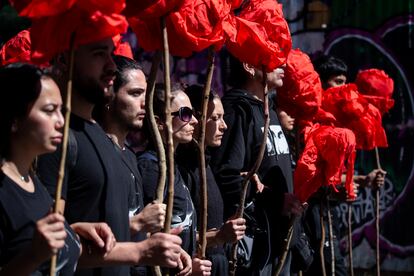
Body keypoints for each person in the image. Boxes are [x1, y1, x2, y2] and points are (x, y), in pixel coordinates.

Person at [36, 38, 186, 276]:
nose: (110, 66)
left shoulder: (104, 140)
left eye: (110, 54)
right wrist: (139, 251)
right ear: (64, 59)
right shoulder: (58, 139)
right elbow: (45, 251)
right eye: (98, 54)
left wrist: (159, 246)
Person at [0, 63, 120, 275]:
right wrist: (33, 256)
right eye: (49, 111)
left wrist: (70, 233)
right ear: (14, 119)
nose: (61, 121)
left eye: (61, 110)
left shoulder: (31, 180)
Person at [95, 55, 191, 276]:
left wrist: (164, 245)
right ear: (109, 93)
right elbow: (76, 237)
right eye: (135, 93)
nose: (144, 103)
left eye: (145, 94)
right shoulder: (94, 152)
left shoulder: (129, 156)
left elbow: (134, 236)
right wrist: (138, 223)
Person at [210, 55, 303, 276]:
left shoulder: (268, 109)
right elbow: (227, 175)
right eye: (273, 59)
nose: (282, 65)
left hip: (280, 240)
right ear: (249, 65)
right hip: (255, 246)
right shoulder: (237, 110)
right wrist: (277, 200)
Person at [301, 55, 387, 276]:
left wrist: (361, 180)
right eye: (338, 81)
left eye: (345, 82)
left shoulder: (338, 123)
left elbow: (333, 177)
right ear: (321, 82)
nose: (344, 87)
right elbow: (311, 177)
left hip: (329, 214)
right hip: (312, 215)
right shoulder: (310, 122)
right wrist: (340, 188)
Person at [137, 83, 212, 275]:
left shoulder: (171, 167)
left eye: (193, 113)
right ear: (159, 121)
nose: (194, 120)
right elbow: (148, 241)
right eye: (185, 114)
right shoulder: (151, 170)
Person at [176, 84, 246, 276]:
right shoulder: (183, 170)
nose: (224, 125)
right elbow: (178, 235)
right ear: (196, 120)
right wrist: (218, 236)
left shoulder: (206, 164)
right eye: (215, 118)